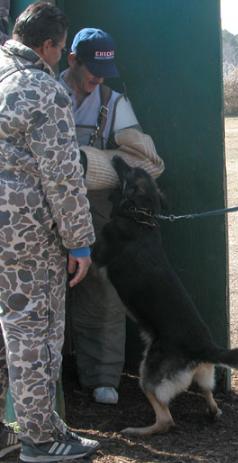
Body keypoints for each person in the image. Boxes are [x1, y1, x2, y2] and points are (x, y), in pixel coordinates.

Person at [0, 2, 100, 461]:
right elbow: (62, 176)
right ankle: (41, 438)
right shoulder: (42, 88)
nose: (59, 58)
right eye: (60, 49)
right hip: (26, 236)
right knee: (32, 333)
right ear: (47, 46)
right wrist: (79, 240)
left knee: (3, 330)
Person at [60, 28, 165, 405]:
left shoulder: (115, 104)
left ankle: (101, 375)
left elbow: (149, 164)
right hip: (44, 211)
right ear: (71, 59)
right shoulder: (44, 92)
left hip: (96, 209)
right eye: (92, 68)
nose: (98, 78)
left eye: (105, 70)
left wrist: (90, 164)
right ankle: (48, 378)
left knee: (102, 292)